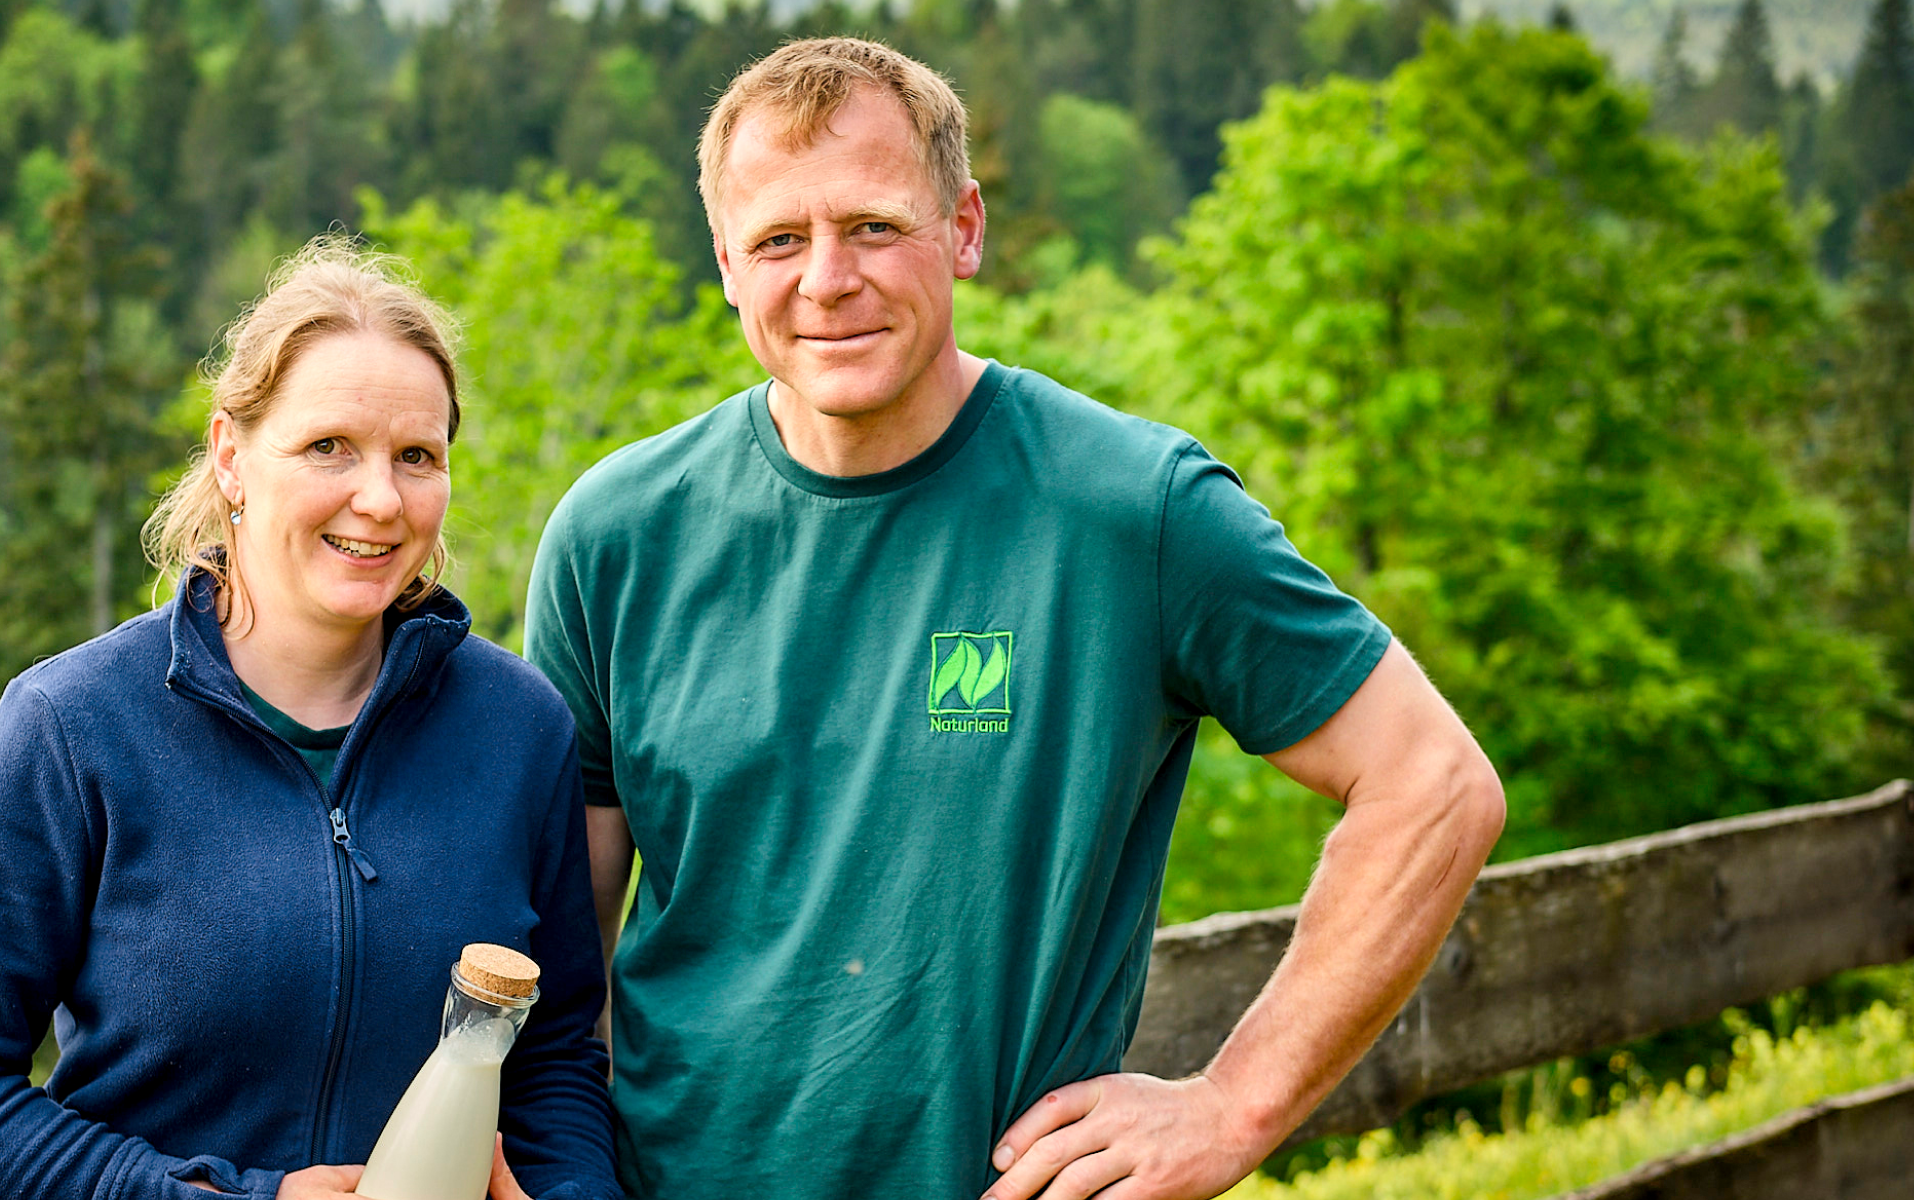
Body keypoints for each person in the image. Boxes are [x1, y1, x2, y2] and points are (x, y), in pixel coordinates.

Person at [522, 37, 1507, 1200]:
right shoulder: (618, 535)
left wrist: (1233, 1108)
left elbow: (1432, 785)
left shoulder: (1131, 511)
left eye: (875, 226)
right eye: (779, 239)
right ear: (729, 265)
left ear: (967, 228)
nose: (827, 278)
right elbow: (557, 975)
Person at [0, 240, 619, 1200]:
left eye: (417, 456)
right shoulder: (74, 725)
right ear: (231, 457)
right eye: (328, 447)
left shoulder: (519, 729)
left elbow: (550, 1063)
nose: (380, 499)